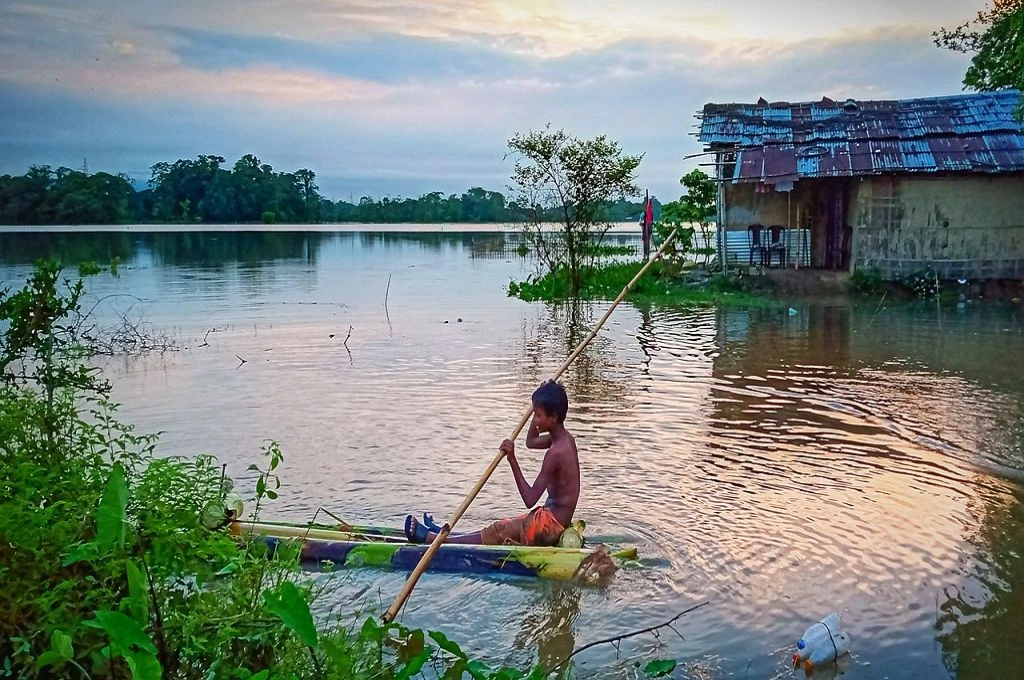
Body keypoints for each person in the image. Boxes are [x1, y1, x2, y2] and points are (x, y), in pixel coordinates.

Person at [404, 380, 579, 546]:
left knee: (499, 530)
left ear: (553, 417)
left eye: (538, 415)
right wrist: (541, 400)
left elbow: (530, 499)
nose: (534, 419)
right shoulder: (564, 439)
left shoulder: (555, 453)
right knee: (503, 526)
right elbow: (531, 442)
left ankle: (433, 539)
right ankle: (448, 535)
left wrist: (512, 459)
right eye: (534, 414)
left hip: (550, 526)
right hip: (551, 518)